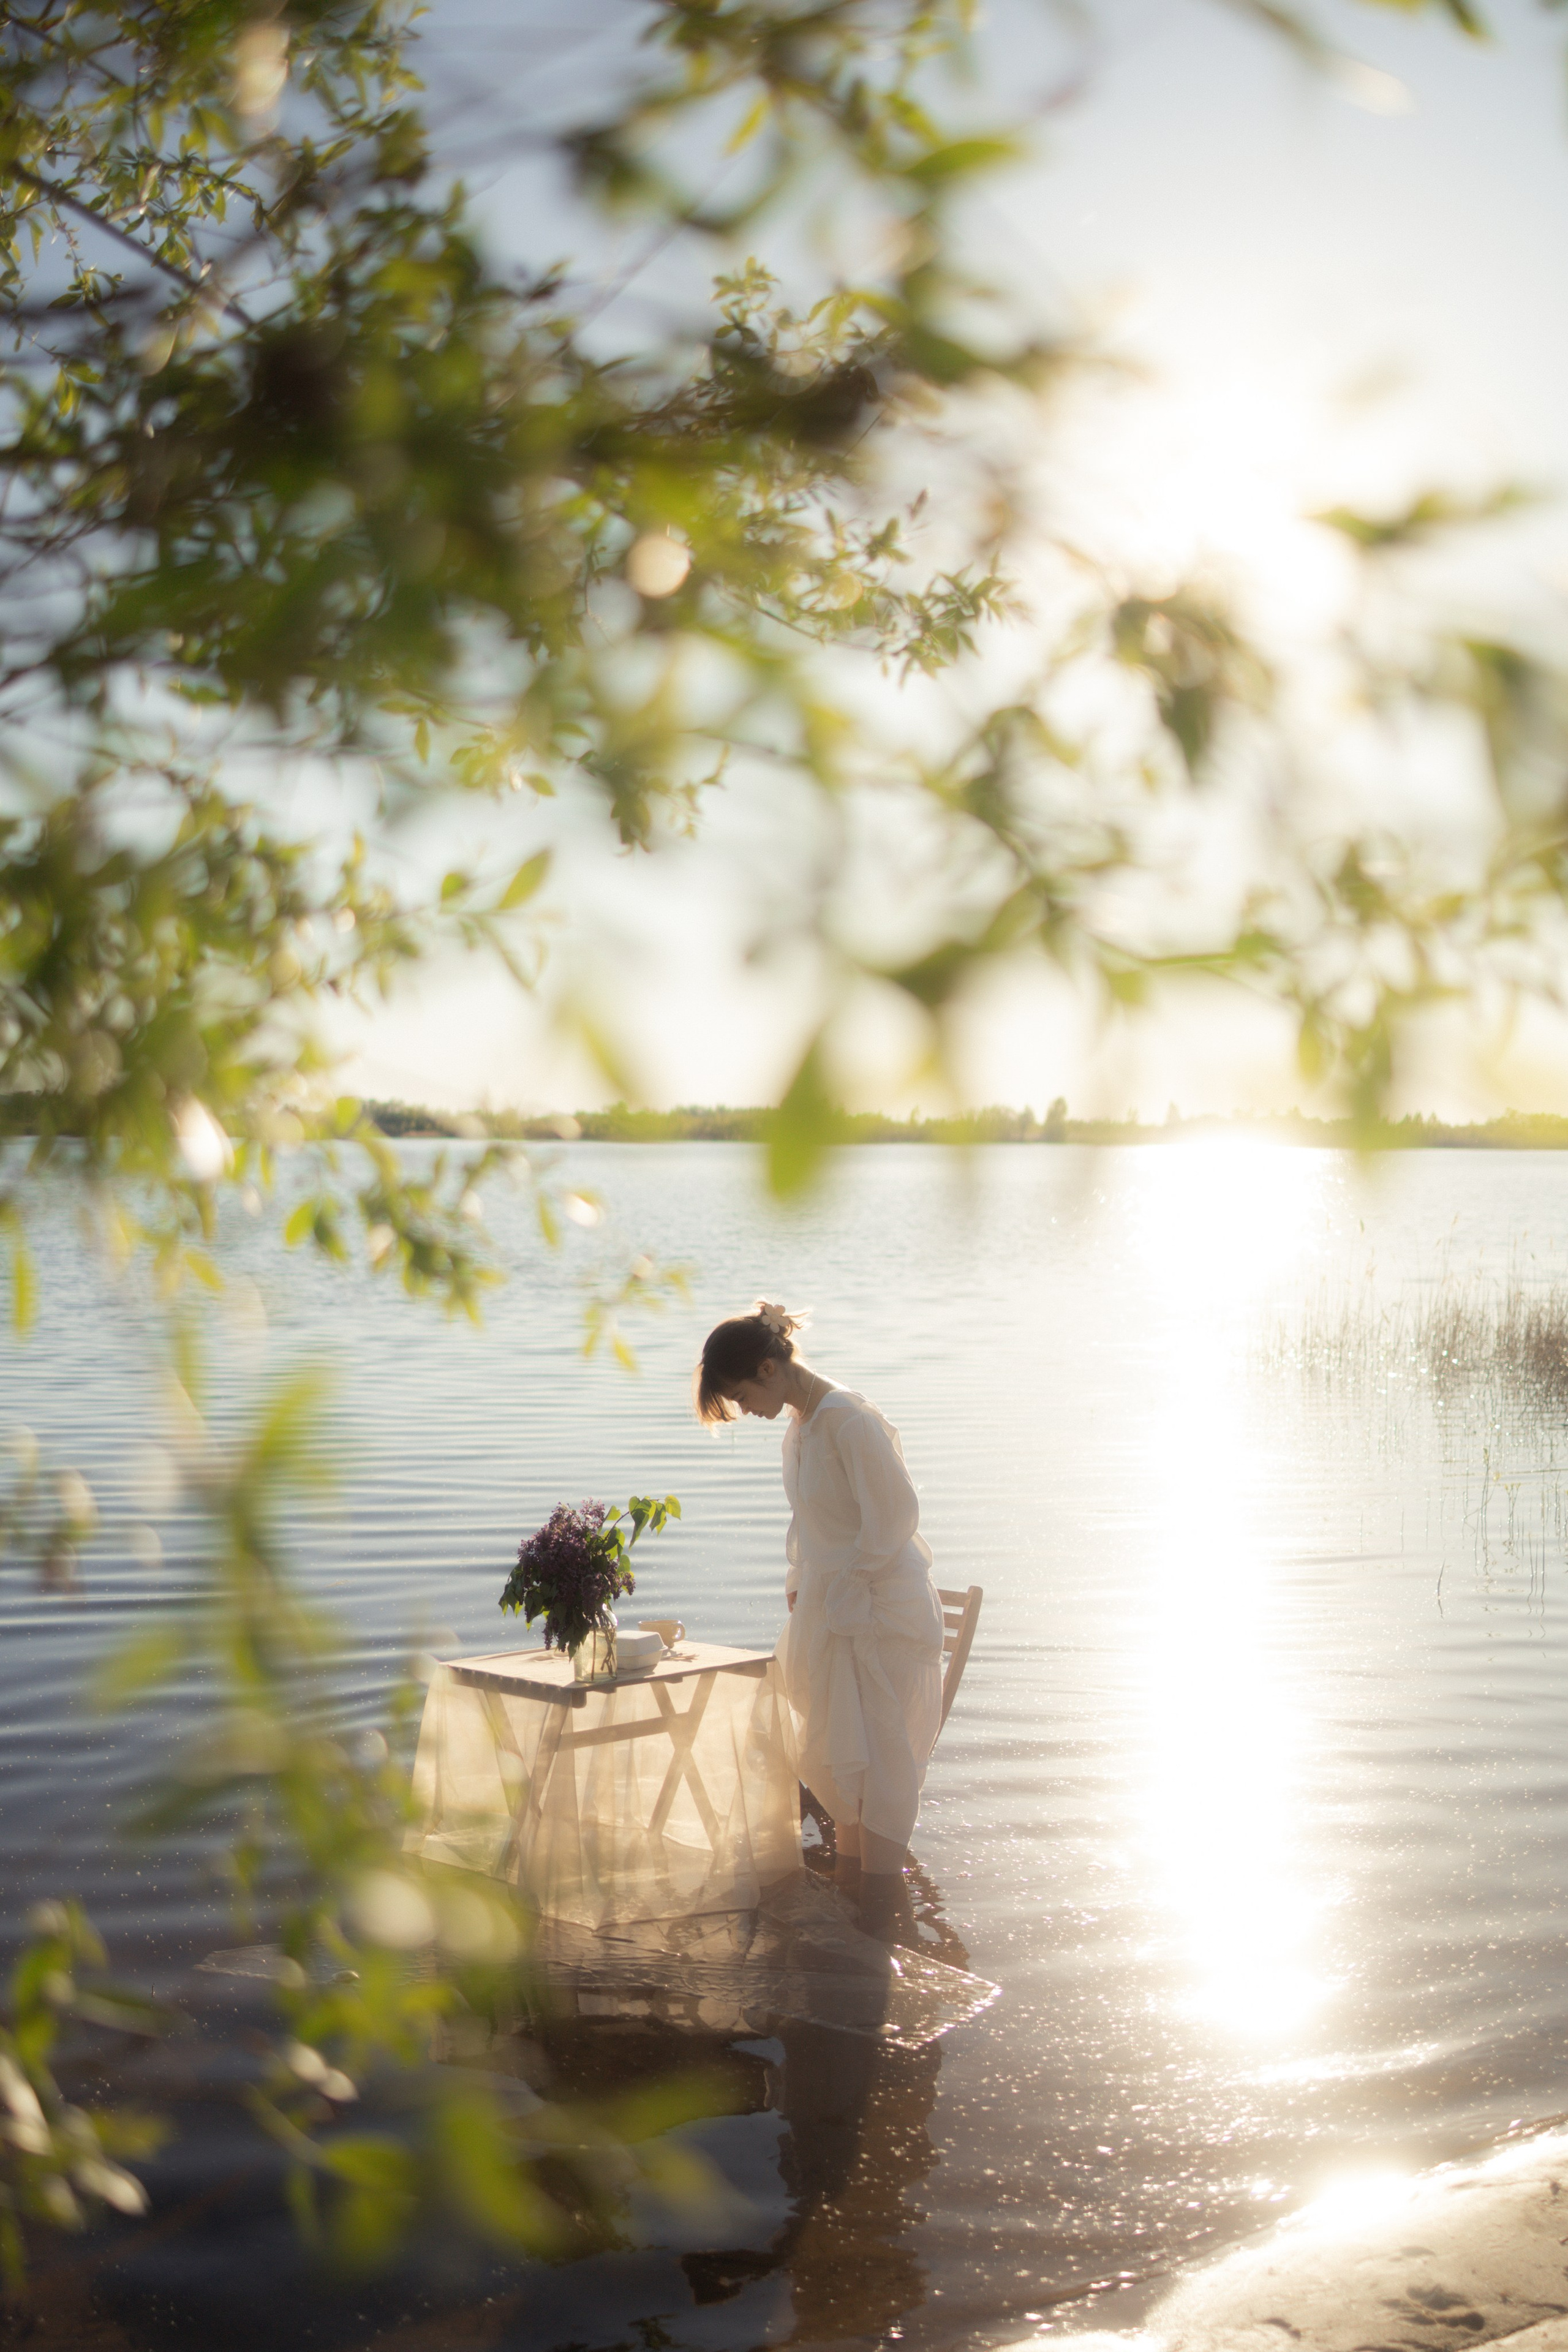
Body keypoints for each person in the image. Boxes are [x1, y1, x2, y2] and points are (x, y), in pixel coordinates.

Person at [694, 1301, 944, 1937]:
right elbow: (813, 1523)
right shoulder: (802, 1425)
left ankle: (882, 1925)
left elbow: (894, 1518)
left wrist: (845, 1586)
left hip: (879, 1613)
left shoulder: (848, 1421)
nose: (747, 1411)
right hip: (835, 1608)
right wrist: (802, 1581)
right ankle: (861, 1918)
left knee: (881, 1765)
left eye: (742, 1396)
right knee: (844, 1769)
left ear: (769, 1367)